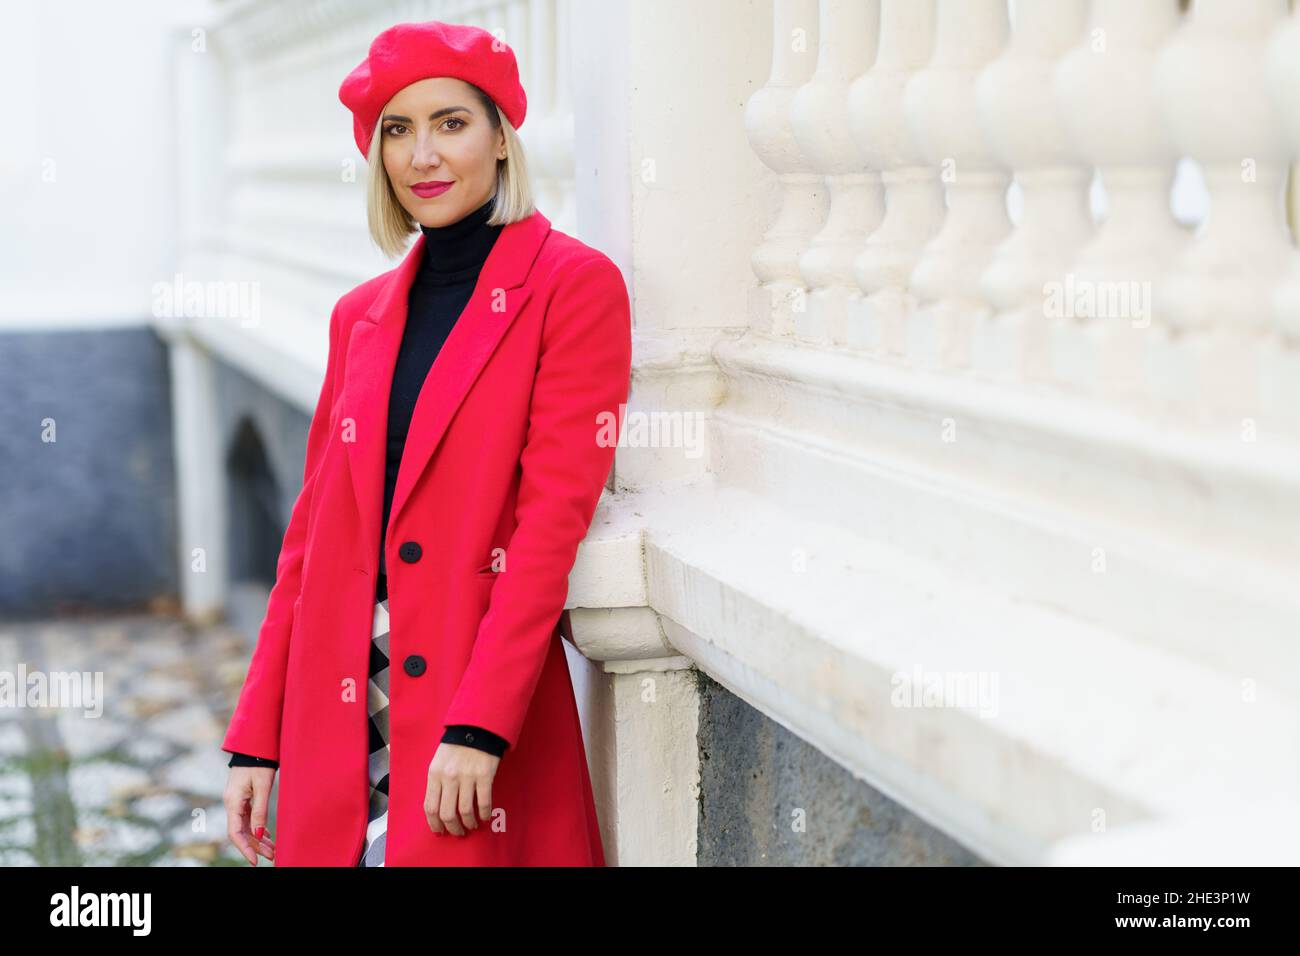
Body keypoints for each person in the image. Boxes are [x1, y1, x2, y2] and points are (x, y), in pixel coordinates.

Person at [221, 20, 631, 867]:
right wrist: (257, 736)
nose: (423, 155)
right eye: (398, 131)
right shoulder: (359, 317)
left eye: (451, 122)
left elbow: (551, 525)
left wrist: (481, 724)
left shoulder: (572, 288)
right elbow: (307, 542)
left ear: (502, 139)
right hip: (335, 707)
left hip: (467, 701)